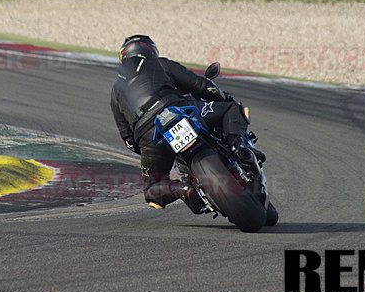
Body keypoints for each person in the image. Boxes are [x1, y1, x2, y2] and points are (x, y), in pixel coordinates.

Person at [110, 35, 265, 212]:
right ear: (150, 51)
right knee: (232, 109)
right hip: (179, 109)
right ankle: (237, 146)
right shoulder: (160, 63)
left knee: (152, 190)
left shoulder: (116, 90)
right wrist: (223, 97)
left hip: (148, 135)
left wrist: (149, 150)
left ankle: (183, 189)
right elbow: (202, 86)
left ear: (124, 56)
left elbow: (129, 140)